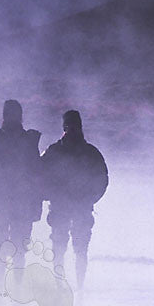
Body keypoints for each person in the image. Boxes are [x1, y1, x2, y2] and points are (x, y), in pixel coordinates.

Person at [0, 100, 42, 290]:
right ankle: (9, 287)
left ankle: (6, 287)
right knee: (12, 246)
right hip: (11, 200)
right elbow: (37, 173)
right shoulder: (26, 141)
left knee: (7, 245)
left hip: (7, 200)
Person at [41, 109, 108, 290]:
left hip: (76, 207)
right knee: (63, 247)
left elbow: (102, 179)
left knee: (75, 248)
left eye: (73, 126)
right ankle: (65, 284)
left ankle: (76, 286)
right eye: (70, 126)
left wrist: (89, 199)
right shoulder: (88, 152)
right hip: (68, 206)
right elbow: (40, 177)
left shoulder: (56, 151)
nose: (71, 130)